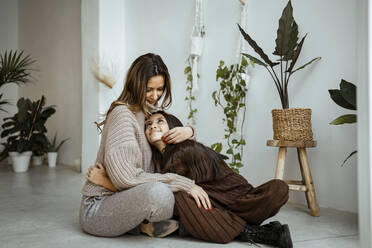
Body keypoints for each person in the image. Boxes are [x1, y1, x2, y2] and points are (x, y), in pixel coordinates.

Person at [87, 111, 293, 248]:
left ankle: (224, 227)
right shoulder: (157, 162)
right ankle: (255, 232)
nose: (152, 126)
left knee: (278, 188)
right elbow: (144, 190)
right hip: (211, 207)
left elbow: (148, 185)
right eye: (148, 125)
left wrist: (108, 183)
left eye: (160, 121)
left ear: (173, 128)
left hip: (238, 200)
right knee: (178, 194)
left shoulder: (184, 150)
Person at [79, 53, 212, 238]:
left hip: (129, 197)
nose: (155, 96)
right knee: (160, 193)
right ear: (136, 84)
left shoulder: (149, 112)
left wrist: (189, 131)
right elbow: (125, 179)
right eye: (149, 89)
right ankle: (150, 225)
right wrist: (184, 185)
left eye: (160, 89)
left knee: (193, 176)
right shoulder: (122, 115)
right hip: (99, 208)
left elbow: (178, 147)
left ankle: (144, 226)